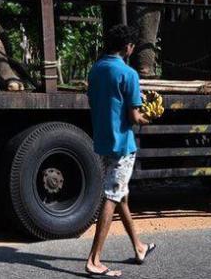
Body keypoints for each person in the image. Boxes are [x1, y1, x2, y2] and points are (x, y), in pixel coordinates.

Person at [85, 24, 156, 277]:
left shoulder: (95, 70)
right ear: (128, 47)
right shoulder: (128, 74)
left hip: (103, 142)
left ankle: (139, 247)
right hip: (122, 145)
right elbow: (134, 116)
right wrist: (150, 116)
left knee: (120, 193)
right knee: (112, 196)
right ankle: (94, 260)